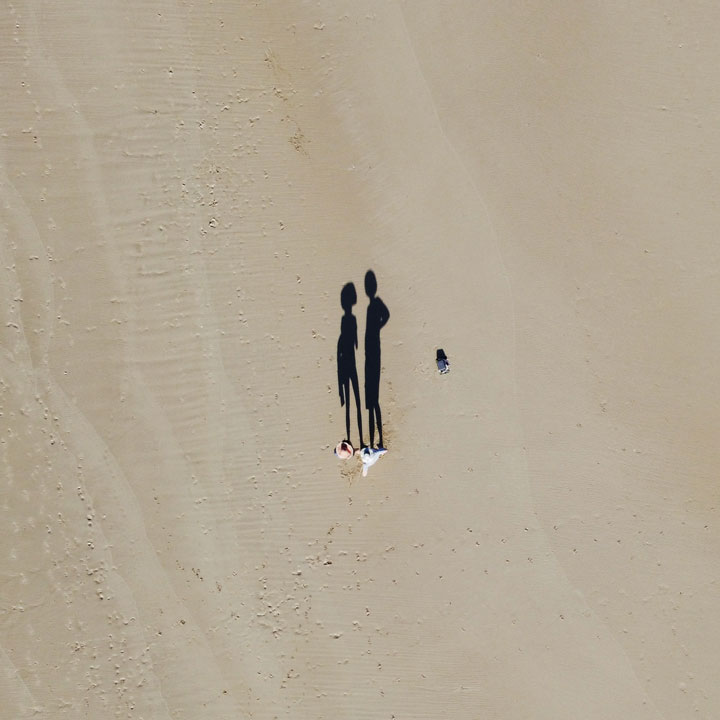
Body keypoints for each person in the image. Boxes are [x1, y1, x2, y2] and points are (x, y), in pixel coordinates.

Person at [364, 270, 390, 448]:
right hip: (371, 347)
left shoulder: (375, 303)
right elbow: (386, 315)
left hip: (373, 347)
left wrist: (378, 327)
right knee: (373, 399)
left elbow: (386, 315)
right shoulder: (372, 304)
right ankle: (378, 441)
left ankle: (379, 441)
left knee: (373, 399)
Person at [337, 282, 364, 447]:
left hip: (346, 366)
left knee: (352, 403)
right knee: (357, 402)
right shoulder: (351, 319)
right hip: (350, 366)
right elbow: (354, 342)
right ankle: (360, 439)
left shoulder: (348, 321)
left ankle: (352, 439)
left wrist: (340, 387)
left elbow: (341, 352)